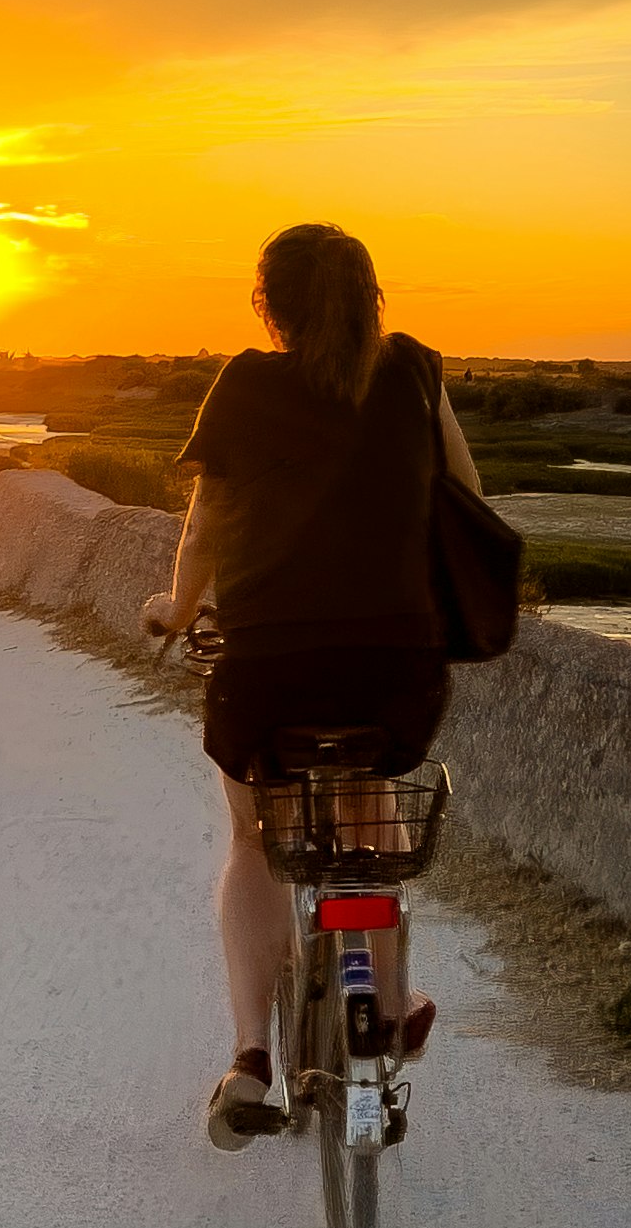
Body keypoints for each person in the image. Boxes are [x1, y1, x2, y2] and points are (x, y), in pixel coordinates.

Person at [139, 222, 484, 1150]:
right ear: (372, 299)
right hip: (395, 668)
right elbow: (464, 496)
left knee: (253, 836)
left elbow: (206, 522)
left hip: (269, 668)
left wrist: (175, 608)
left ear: (269, 306)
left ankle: (251, 1056)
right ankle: (392, 1002)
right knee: (371, 815)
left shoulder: (245, 383)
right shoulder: (412, 372)